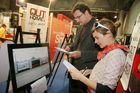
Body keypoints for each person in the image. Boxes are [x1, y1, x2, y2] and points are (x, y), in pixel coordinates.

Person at [68, 18, 129, 93]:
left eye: (97, 38)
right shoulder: (110, 51)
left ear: (108, 34)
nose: (95, 42)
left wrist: (81, 78)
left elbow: (107, 90)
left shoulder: (116, 54)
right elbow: (106, 69)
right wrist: (91, 71)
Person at [65, 2, 100, 93]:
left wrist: (81, 54)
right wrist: (70, 47)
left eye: (79, 17)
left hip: (87, 71)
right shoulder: (80, 27)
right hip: (74, 68)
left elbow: (101, 53)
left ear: (87, 13)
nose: (77, 20)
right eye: (75, 18)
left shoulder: (98, 27)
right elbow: (76, 44)